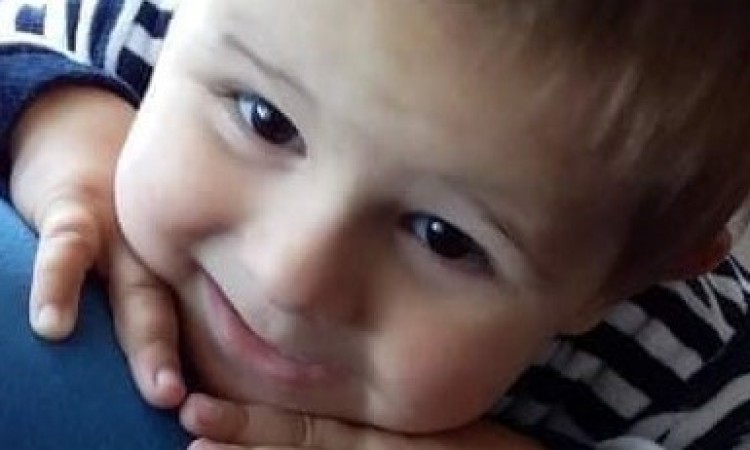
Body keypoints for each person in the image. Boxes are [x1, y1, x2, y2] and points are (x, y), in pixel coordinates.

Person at [3, 1, 750, 448]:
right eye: (266, 120)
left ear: (629, 277)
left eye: (443, 237)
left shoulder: (687, 363)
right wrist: (62, 126)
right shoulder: (155, 30)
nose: (288, 275)